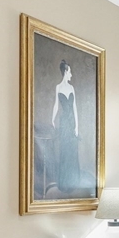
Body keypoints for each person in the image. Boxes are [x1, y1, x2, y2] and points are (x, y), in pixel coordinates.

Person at [51, 60, 80, 193]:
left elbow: (75, 109)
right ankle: (64, 183)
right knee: (65, 151)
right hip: (63, 123)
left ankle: (73, 182)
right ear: (65, 72)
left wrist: (77, 127)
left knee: (72, 151)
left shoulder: (72, 88)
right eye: (70, 72)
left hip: (71, 122)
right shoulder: (58, 87)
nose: (71, 75)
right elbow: (56, 105)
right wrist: (52, 119)